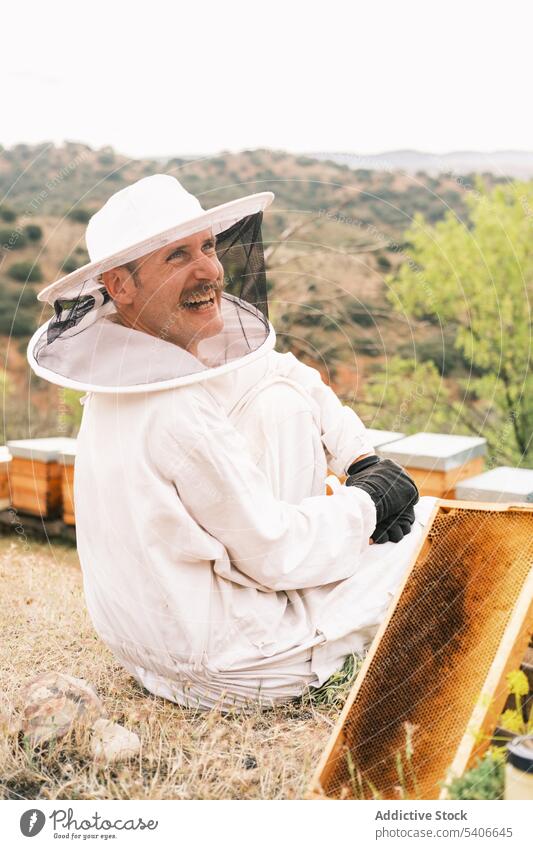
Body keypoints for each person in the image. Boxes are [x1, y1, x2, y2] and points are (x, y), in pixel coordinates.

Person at [28, 174, 436, 712]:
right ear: (120, 285)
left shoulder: (141, 361)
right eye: (177, 256)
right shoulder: (173, 410)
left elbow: (286, 373)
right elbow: (277, 550)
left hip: (149, 646)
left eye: (208, 246)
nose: (210, 271)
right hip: (236, 663)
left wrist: (362, 458)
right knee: (432, 529)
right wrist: (371, 504)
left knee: (280, 400)